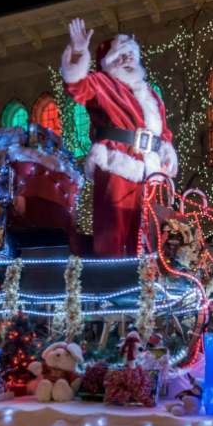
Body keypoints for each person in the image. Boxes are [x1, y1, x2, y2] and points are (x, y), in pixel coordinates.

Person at [61, 19, 178, 257]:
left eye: (130, 55)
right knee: (110, 238)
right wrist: (79, 52)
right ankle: (108, 281)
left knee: (147, 240)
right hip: (116, 165)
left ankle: (145, 280)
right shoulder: (102, 83)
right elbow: (77, 86)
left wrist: (167, 151)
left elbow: (163, 132)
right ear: (109, 62)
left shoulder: (151, 95)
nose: (126, 59)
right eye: (120, 56)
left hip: (149, 173)